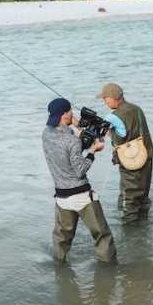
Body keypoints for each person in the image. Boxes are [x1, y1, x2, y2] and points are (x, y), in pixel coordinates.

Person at [42, 97, 117, 263]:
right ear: (66, 114)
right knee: (102, 236)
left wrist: (79, 139)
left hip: (61, 199)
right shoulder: (72, 141)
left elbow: (65, 154)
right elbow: (80, 170)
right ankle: (109, 272)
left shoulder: (46, 134)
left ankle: (59, 266)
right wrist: (93, 151)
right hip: (81, 197)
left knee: (61, 239)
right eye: (70, 112)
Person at [97, 83, 153, 225]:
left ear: (112, 98)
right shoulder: (137, 109)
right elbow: (128, 130)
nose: (105, 102)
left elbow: (95, 131)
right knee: (142, 196)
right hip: (146, 156)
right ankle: (143, 229)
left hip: (130, 161)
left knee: (129, 198)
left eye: (105, 99)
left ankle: (129, 233)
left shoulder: (113, 117)